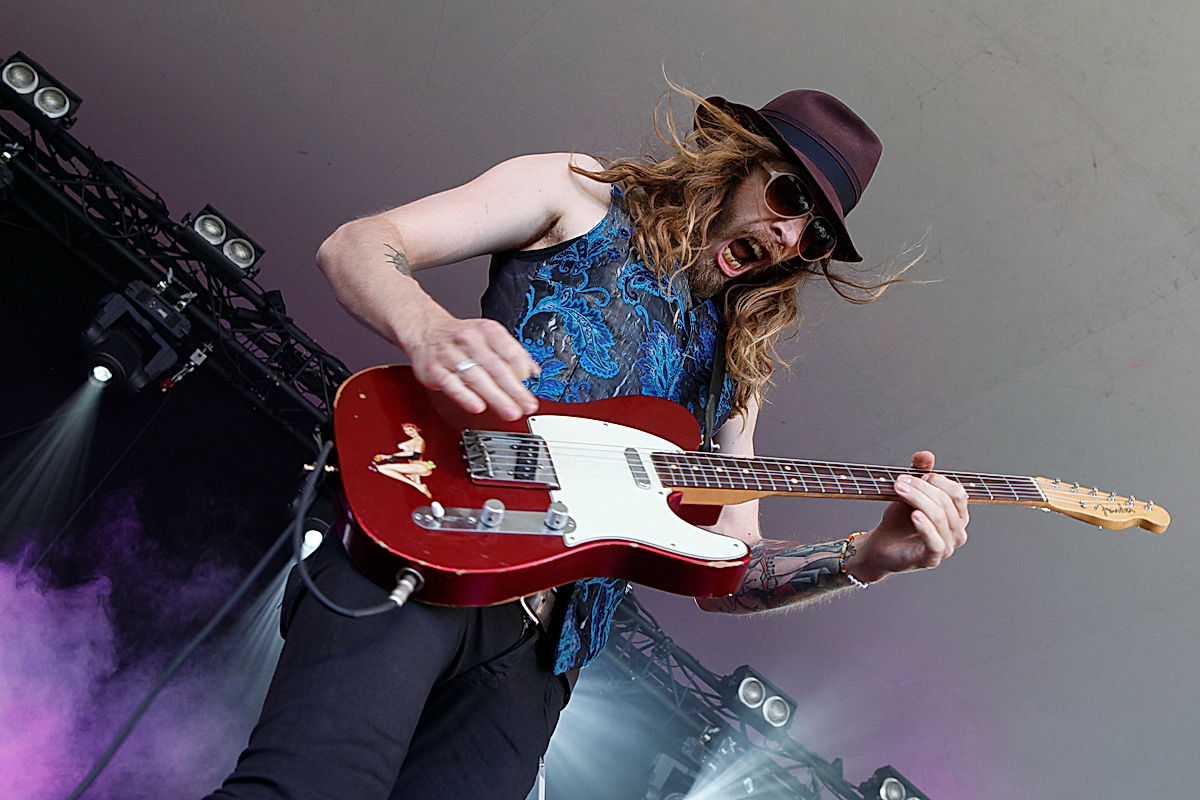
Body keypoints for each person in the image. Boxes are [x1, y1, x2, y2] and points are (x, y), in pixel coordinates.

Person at [205, 86, 969, 800]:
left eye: (815, 236)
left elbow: (731, 565)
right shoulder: (577, 196)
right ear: (733, 158)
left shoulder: (736, 367)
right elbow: (359, 244)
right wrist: (430, 328)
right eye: (789, 197)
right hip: (433, 547)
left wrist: (865, 560)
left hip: (542, 656)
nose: (790, 235)